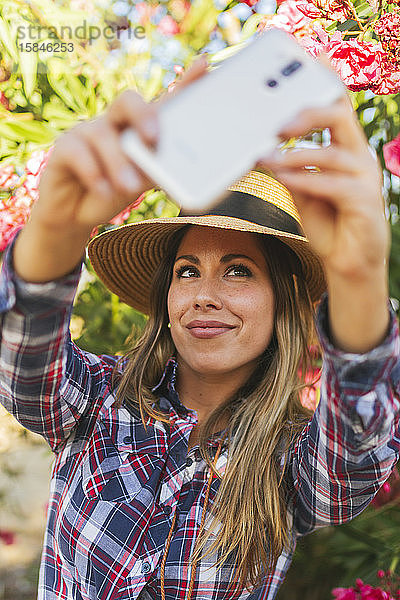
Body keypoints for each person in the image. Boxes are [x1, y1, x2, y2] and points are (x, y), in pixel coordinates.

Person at [0, 53, 399, 600]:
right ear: (167, 294)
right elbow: (23, 346)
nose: (204, 296)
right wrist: (57, 221)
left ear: (283, 305)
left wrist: (360, 277)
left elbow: (361, 434)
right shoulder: (93, 402)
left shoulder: (294, 465)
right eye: (188, 271)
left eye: (238, 271)